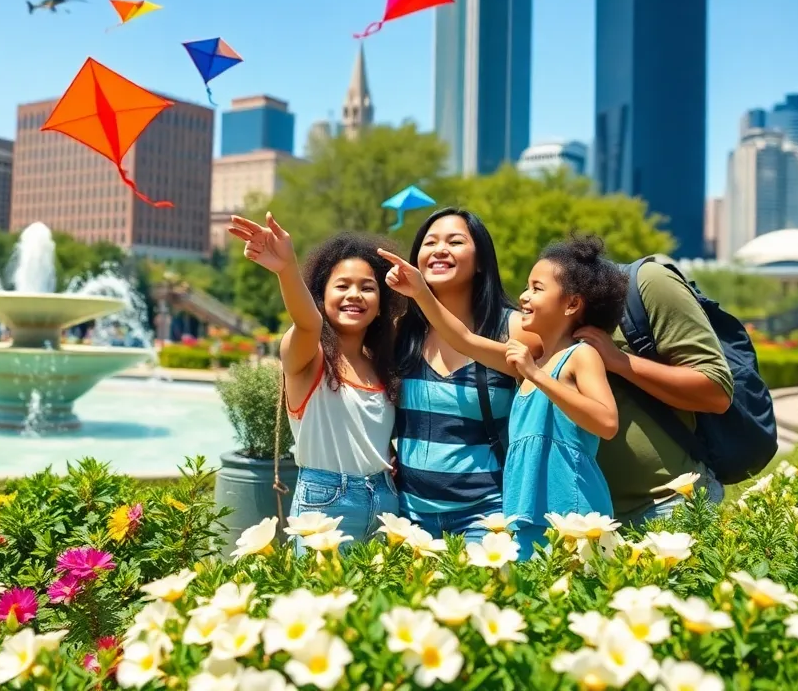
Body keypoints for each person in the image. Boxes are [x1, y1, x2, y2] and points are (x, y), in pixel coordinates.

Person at [382, 235, 624, 558]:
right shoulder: (529, 362)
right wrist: (421, 292)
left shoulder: (579, 356)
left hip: (573, 515)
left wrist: (536, 376)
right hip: (524, 515)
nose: (524, 296)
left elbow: (607, 422)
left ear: (571, 304)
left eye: (537, 289)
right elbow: (464, 339)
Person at [228, 213, 400, 553]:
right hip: (325, 505)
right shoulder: (309, 357)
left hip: (386, 501)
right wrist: (287, 268)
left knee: (380, 602)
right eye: (342, 285)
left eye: (368, 287)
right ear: (321, 296)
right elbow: (307, 323)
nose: (355, 295)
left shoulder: (385, 366)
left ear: (382, 304)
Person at [387, 209, 543, 542]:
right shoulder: (402, 332)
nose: (439, 249)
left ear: (482, 261)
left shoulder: (513, 328)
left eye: (455, 242)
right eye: (430, 242)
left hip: (487, 515)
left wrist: (421, 296)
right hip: (409, 516)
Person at [571, 255, 734, 527]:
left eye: (536, 288)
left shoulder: (647, 284)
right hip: (589, 519)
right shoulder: (534, 318)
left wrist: (620, 362)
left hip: (669, 506)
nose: (526, 296)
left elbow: (717, 391)